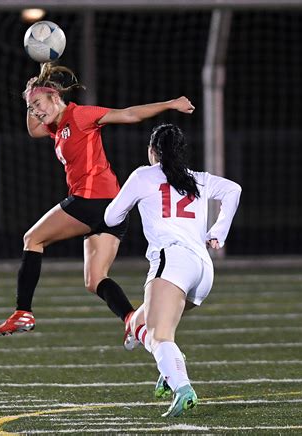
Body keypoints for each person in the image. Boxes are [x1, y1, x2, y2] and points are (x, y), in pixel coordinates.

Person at [0, 63, 195, 336]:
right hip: (111, 207)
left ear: (55, 96)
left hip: (93, 199)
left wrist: (171, 103)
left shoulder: (80, 115)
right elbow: (34, 130)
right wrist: (30, 96)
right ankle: (134, 322)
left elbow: (130, 114)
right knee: (95, 279)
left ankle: (23, 312)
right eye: (31, 108)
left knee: (32, 239)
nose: (36, 112)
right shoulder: (56, 126)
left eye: (38, 104)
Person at [104, 123, 241, 417]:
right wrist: (219, 230)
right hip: (203, 270)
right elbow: (233, 189)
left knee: (158, 336)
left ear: (153, 151)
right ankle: (170, 366)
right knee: (137, 324)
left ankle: (182, 387)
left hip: (173, 262)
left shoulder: (144, 175)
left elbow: (111, 216)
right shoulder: (198, 179)